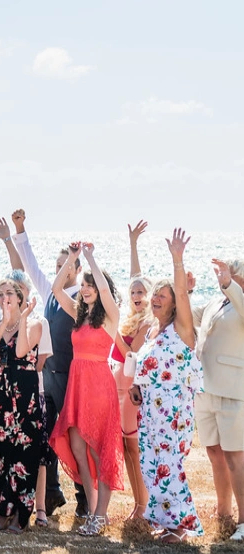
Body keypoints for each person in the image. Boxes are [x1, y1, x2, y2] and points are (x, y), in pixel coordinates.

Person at [11, 209, 87, 517]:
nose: (59, 270)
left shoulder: (82, 297)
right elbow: (30, 264)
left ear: (76, 268)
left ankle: (83, 496)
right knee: (48, 435)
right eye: (56, 265)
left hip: (72, 376)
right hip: (48, 377)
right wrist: (20, 229)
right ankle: (52, 492)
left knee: (76, 436)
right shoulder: (49, 293)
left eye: (65, 265)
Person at [130, 228, 202, 543]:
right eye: (154, 295)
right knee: (152, 465)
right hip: (150, 411)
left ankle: (182, 526)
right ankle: (167, 521)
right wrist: (136, 387)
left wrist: (177, 259)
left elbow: (184, 295)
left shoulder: (181, 329)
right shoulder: (152, 333)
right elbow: (145, 368)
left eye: (163, 295)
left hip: (174, 413)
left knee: (170, 465)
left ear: (174, 303)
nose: (155, 299)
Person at [48, 241, 124, 537]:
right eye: (84, 284)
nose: (87, 288)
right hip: (77, 386)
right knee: (79, 448)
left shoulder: (109, 316)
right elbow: (56, 290)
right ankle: (93, 511)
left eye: (91, 284)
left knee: (97, 450)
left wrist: (91, 258)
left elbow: (104, 291)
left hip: (98, 387)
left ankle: (100, 515)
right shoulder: (78, 314)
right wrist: (72, 258)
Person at [0, 278, 44, 532]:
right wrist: (5, 323)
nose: (5, 297)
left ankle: (22, 514)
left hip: (25, 395)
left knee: (25, 455)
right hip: (0, 395)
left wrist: (22, 318)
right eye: (1, 294)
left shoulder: (36, 323)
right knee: (5, 455)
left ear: (19, 297)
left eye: (10, 293)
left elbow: (19, 352)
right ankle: (3, 510)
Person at [195, 253, 244, 541]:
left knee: (235, 456)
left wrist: (230, 285)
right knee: (214, 453)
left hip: (232, 391)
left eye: (235, 273)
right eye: (227, 273)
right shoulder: (216, 302)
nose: (227, 277)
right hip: (205, 389)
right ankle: (223, 515)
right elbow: (188, 315)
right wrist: (185, 288)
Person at [115, 219, 155, 522]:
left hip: (133, 390)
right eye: (133, 292)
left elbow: (133, 353)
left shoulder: (146, 322)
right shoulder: (129, 317)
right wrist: (132, 244)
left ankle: (144, 506)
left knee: (135, 447)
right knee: (127, 448)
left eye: (142, 292)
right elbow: (135, 278)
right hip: (118, 386)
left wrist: (108, 329)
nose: (136, 294)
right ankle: (138, 504)